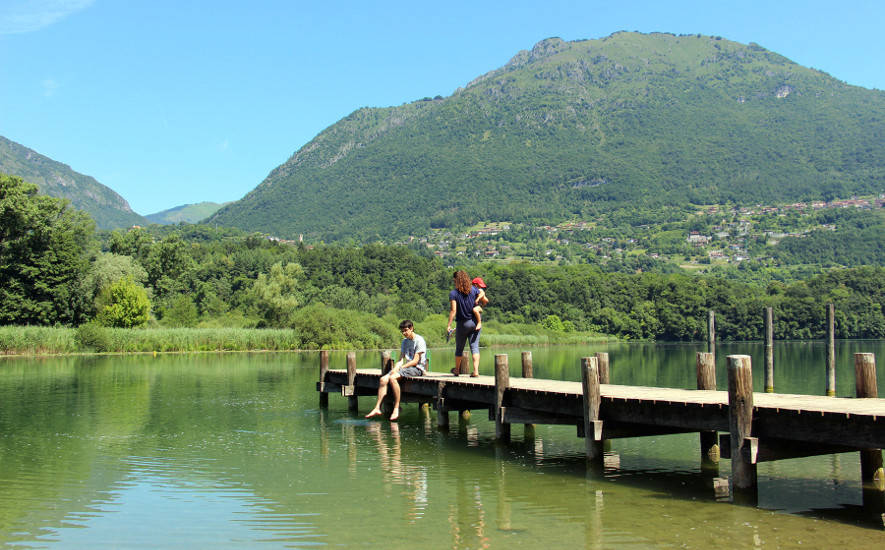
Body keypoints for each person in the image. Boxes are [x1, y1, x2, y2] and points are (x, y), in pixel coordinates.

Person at [365, 319, 427, 421]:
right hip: (406, 368)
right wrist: (396, 368)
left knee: (393, 378)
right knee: (383, 379)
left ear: (411, 328)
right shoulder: (404, 342)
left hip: (417, 369)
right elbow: (401, 359)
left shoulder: (419, 340)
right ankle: (377, 408)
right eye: (402, 331)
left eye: (406, 330)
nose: (404, 333)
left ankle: (396, 407)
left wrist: (400, 368)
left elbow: (415, 361)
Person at [447, 270, 486, 377]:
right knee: (474, 347)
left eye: (454, 280)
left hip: (462, 324)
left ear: (456, 280)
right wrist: (479, 304)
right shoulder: (474, 290)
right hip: (474, 322)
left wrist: (449, 325)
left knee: (459, 348)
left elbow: (453, 311)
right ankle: (476, 371)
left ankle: (457, 370)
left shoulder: (453, 293)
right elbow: (482, 294)